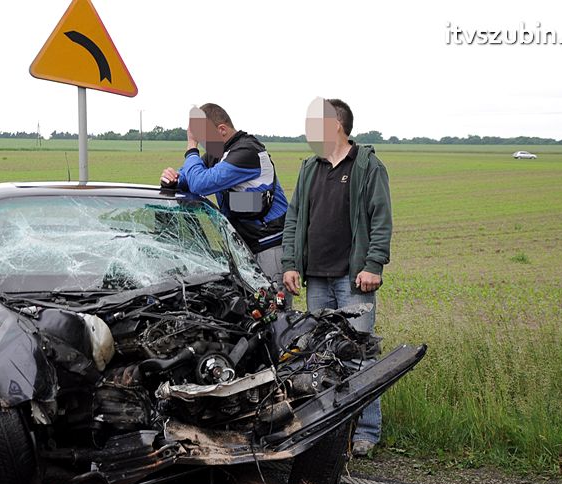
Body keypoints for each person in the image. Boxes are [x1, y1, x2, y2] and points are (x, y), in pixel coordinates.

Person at [281, 98, 393, 457]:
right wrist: (291, 263)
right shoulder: (309, 168)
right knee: (321, 357)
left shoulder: (367, 166)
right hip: (316, 278)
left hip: (351, 278)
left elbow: (381, 218)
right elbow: (295, 218)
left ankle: (367, 432)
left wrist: (373, 265)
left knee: (359, 355)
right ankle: (326, 431)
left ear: (336, 126)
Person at [160, 104, 289, 299]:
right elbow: (187, 179)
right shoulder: (218, 154)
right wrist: (172, 178)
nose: (201, 143)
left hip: (268, 247)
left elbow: (201, 183)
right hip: (243, 248)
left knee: (274, 313)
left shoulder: (247, 152)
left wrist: (190, 147)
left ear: (221, 130)